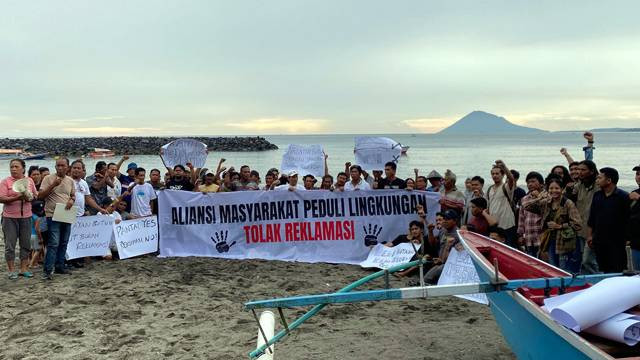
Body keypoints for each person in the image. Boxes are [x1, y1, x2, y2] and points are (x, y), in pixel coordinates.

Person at [523, 177, 582, 272]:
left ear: (562, 189)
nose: (554, 191)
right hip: (549, 241)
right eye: (551, 188)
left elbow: (577, 224)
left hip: (564, 242)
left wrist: (559, 226)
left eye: (557, 188)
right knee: (553, 268)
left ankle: (565, 287)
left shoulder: (568, 203)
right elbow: (526, 206)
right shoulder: (546, 203)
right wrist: (540, 198)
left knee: (564, 269)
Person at [37, 158, 75, 280]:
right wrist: (54, 184)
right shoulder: (48, 179)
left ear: (67, 167)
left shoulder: (70, 180)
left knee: (64, 241)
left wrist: (71, 201)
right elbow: (40, 196)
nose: (59, 168)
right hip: (52, 214)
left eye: (62, 165)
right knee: (53, 243)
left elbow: (73, 195)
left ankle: (60, 266)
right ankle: (48, 270)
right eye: (57, 165)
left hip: (66, 214)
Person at [0, 159, 38, 279]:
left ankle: (23, 268)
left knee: (25, 244)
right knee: (10, 245)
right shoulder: (5, 181)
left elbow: (34, 196)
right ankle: (11, 270)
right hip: (9, 217)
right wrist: (17, 197)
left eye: (16, 166)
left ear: (23, 168)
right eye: (11, 167)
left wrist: (29, 197)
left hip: (26, 216)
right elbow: (1, 198)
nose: (13, 169)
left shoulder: (30, 180)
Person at [588, 167, 630, 273]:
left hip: (616, 242)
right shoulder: (597, 195)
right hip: (599, 240)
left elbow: (628, 219)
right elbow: (592, 217)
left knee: (617, 269)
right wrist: (590, 235)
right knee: (602, 269)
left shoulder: (623, 196)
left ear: (609, 180)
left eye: (600, 178)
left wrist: (628, 238)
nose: (597, 180)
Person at [423, 209, 460, 284]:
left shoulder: (458, 235)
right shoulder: (443, 230)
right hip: (440, 261)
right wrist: (430, 231)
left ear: (455, 220)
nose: (445, 221)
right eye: (444, 219)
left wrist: (442, 260)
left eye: (448, 219)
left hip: (450, 265)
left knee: (427, 279)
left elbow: (458, 256)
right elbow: (433, 243)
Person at [486, 160, 517, 247]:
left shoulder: (506, 187)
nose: (494, 175)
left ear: (502, 175)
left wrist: (504, 167)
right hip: (495, 227)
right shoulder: (489, 189)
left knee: (509, 249)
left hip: (507, 225)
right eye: (493, 174)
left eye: (497, 173)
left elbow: (511, 179)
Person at [517, 172, 545, 257]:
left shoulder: (546, 196)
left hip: (542, 237)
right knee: (531, 260)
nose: (530, 184)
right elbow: (521, 218)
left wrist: (539, 197)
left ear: (541, 184)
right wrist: (520, 235)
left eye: (533, 181)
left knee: (543, 262)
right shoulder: (524, 199)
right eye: (528, 182)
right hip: (529, 237)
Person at [628, 164, 640, 270]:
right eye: (637, 174)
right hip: (635, 242)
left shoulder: (636, 195)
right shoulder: (634, 193)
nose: (639, 177)